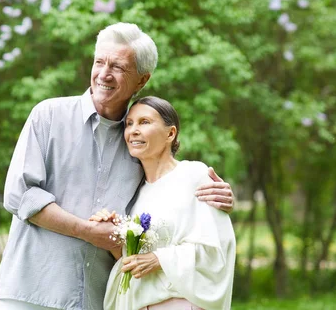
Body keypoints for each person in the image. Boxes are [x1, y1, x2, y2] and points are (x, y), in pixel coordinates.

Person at [0, 23, 234, 310]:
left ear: (142, 80)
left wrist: (215, 198)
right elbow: (19, 195)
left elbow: (167, 200)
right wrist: (86, 230)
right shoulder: (48, 116)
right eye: (99, 62)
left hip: (95, 300)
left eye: (118, 67)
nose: (104, 74)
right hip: (31, 292)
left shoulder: (138, 145)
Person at [93, 96, 235, 310]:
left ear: (170, 133)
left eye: (144, 122)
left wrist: (160, 259)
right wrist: (113, 235)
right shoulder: (133, 192)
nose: (133, 130)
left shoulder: (193, 175)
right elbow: (135, 262)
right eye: (129, 124)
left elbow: (217, 249)